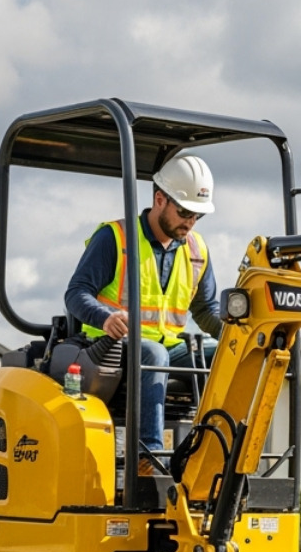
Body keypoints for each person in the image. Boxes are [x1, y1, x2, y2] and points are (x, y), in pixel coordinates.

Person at [65, 151, 221, 475]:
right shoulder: (115, 238)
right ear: (160, 199)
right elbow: (76, 293)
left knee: (227, 355)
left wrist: (242, 336)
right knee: (153, 353)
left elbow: (206, 311)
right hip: (110, 347)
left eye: (197, 216)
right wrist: (105, 317)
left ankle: (214, 456)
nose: (190, 222)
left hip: (170, 347)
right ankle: (148, 460)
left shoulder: (196, 251)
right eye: (185, 212)